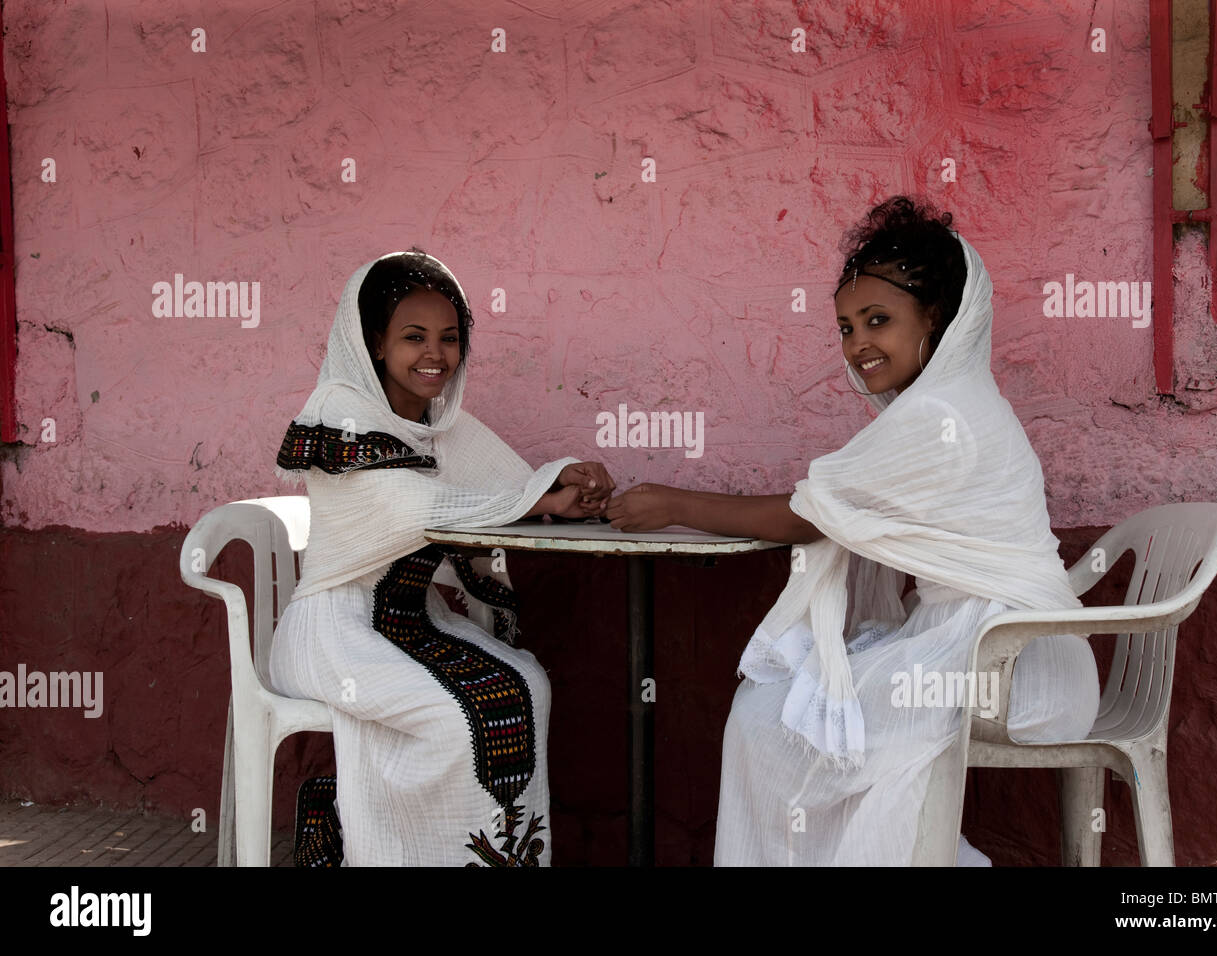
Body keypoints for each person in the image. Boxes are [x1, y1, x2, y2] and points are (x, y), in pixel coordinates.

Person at [606, 196, 1100, 865]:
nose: (858, 342)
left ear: (937, 319)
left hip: (1011, 659)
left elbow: (802, 515)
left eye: (878, 320)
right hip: (981, 644)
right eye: (845, 327)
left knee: (775, 724)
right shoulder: (945, 405)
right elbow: (831, 509)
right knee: (790, 714)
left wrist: (670, 503)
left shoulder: (942, 414)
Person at [269, 248, 614, 866]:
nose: (435, 354)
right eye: (414, 337)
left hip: (410, 621)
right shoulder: (338, 412)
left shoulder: (435, 424)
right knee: (453, 716)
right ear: (373, 342)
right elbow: (414, 507)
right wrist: (541, 498)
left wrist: (566, 484)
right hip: (332, 632)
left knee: (526, 683)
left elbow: (504, 484)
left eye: (450, 339)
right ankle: (363, 833)